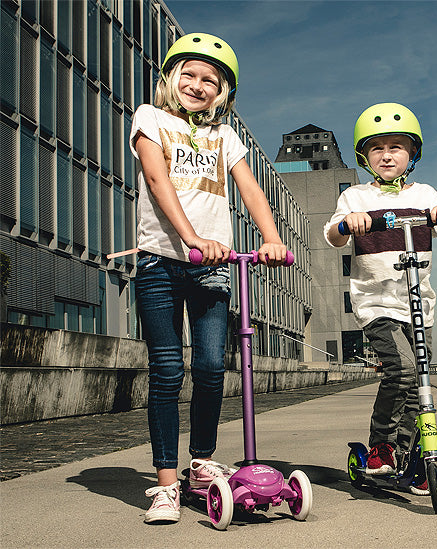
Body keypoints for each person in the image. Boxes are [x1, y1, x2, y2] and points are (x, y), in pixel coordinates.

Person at [130, 32, 287, 523]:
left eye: (210, 81)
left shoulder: (224, 137)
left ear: (223, 94)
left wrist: (273, 237)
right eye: (190, 75)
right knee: (167, 371)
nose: (198, 85)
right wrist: (193, 238)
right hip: (160, 261)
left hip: (213, 269)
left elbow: (251, 187)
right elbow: (157, 181)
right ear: (170, 78)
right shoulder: (149, 117)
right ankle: (165, 484)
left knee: (211, 371)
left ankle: (200, 463)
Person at [324, 103, 437, 495]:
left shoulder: (425, 193)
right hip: (376, 303)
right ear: (364, 156)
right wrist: (347, 224)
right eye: (377, 148)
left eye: (397, 147)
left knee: (420, 384)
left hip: (419, 305)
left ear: (412, 154)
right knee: (400, 370)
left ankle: (409, 454)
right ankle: (382, 446)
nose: (387, 155)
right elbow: (332, 236)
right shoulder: (355, 197)